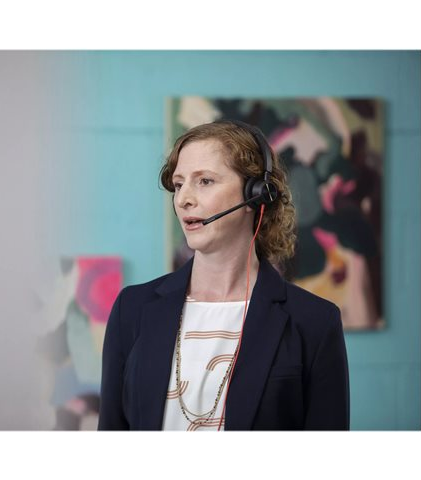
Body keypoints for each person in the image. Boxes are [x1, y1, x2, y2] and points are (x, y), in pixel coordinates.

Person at [98, 120, 350, 431]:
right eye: (179, 184)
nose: (183, 199)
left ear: (256, 195)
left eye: (204, 181)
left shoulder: (314, 322)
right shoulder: (131, 308)